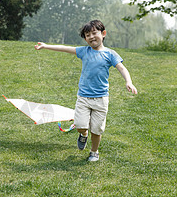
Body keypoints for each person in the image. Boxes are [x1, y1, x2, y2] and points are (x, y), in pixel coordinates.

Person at [34, 20, 137, 162]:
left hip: (101, 99)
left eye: (94, 33)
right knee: (81, 126)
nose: (91, 37)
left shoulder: (110, 54)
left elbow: (122, 68)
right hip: (83, 97)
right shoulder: (84, 51)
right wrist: (46, 46)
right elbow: (64, 48)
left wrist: (128, 81)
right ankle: (83, 135)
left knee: (97, 130)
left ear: (103, 34)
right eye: (87, 35)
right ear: (85, 39)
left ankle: (94, 152)